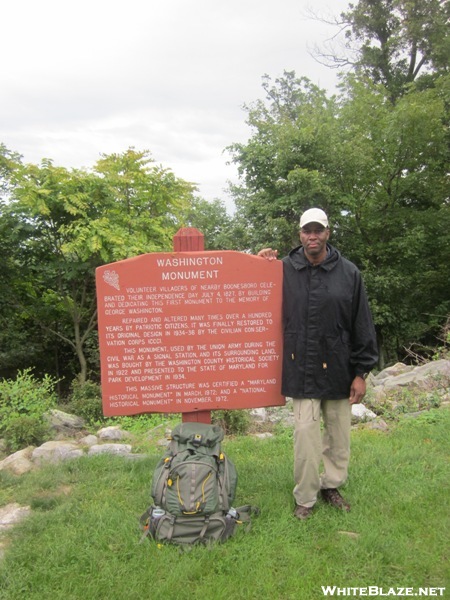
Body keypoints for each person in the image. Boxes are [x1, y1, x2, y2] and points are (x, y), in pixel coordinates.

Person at [258, 208, 378, 520]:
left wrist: (361, 372)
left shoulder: (349, 273)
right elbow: (253, 291)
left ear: (327, 233)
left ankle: (331, 485)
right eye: (307, 231)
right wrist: (260, 262)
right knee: (305, 437)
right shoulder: (283, 269)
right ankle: (306, 497)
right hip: (301, 367)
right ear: (299, 234)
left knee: (338, 437)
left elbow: (361, 324)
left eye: (318, 230)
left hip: (339, 366)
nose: (313, 236)